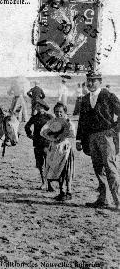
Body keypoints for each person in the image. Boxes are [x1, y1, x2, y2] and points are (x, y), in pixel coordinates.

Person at [76, 72, 120, 210]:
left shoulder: (108, 95)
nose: (90, 83)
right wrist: (78, 139)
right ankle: (103, 199)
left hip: (106, 136)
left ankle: (118, 201)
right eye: (88, 81)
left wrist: (114, 130)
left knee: (110, 168)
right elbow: (82, 121)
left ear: (99, 81)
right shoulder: (84, 99)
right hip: (91, 137)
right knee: (98, 168)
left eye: (93, 81)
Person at [41, 102, 76, 201]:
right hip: (55, 148)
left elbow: (73, 133)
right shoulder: (51, 122)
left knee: (66, 170)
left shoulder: (68, 122)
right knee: (57, 170)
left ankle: (69, 192)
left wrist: (63, 135)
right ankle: (62, 191)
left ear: (65, 112)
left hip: (65, 148)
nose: (59, 114)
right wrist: (52, 137)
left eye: (61, 112)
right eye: (56, 112)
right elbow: (43, 132)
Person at [24, 99, 53, 190]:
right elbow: (27, 126)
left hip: (47, 143)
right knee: (40, 165)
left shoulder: (49, 117)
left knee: (49, 164)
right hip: (37, 143)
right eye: (37, 106)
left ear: (44, 108)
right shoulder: (34, 117)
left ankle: (49, 184)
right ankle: (43, 182)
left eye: (41, 107)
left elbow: (56, 126)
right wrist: (29, 134)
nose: (39, 108)